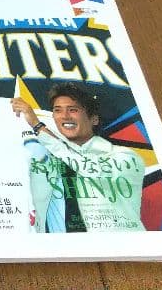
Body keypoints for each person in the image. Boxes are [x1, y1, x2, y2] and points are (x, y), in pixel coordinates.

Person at [11, 83, 146, 232]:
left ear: (94, 119)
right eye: (57, 110)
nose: (65, 116)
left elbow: (88, 168)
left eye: (73, 110)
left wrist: (38, 126)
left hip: (119, 245)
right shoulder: (50, 157)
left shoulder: (126, 158)